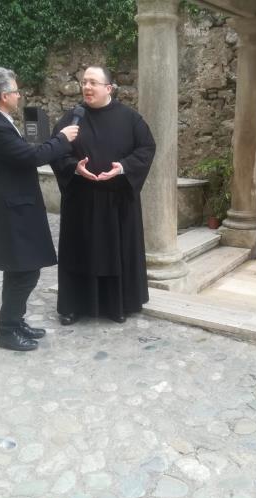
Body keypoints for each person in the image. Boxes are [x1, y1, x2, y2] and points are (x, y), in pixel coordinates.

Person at [0, 66, 78, 352]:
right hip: (10, 212)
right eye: (16, 91)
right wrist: (62, 139)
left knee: (19, 270)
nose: (20, 96)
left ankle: (15, 321)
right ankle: (6, 329)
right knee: (25, 272)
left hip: (15, 207)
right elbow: (30, 156)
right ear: (5, 95)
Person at [50, 65, 156, 325]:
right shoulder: (71, 118)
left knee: (115, 251)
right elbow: (56, 150)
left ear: (108, 88)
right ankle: (74, 306)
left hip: (116, 200)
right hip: (81, 201)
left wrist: (123, 168)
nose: (86, 87)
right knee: (80, 252)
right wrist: (74, 167)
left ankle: (116, 304)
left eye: (93, 82)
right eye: (84, 82)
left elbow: (146, 148)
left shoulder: (130, 119)